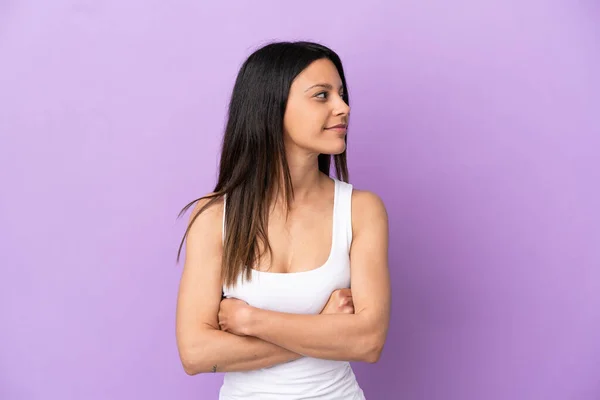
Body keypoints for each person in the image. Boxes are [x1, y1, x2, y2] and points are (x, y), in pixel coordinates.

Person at [175, 41, 391, 400]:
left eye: (341, 94)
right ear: (271, 108)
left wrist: (250, 322)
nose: (343, 107)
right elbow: (196, 354)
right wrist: (326, 329)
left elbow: (368, 342)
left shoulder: (361, 210)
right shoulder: (213, 217)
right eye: (322, 95)